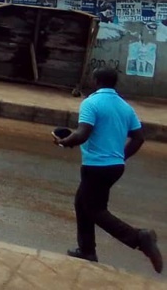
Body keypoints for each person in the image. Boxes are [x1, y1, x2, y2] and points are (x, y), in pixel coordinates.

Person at [54, 67, 162, 273]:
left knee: (95, 210)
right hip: (115, 166)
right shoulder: (125, 107)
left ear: (95, 81)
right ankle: (87, 250)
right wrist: (121, 156)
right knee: (82, 203)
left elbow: (83, 133)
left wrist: (65, 142)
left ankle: (140, 238)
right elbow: (139, 138)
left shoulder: (90, 103)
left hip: (95, 167)